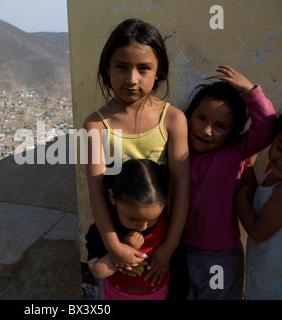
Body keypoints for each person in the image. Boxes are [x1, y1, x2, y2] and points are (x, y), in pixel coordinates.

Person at [83, 18, 190, 299]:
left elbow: (180, 187)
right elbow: (95, 190)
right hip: (113, 236)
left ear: (159, 72)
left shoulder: (173, 119)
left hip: (162, 238)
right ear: (107, 69)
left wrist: (169, 247)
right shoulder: (96, 124)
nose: (131, 79)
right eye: (121, 67)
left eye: (143, 68)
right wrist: (113, 246)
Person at [183, 65, 276, 299]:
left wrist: (250, 91)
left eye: (220, 126)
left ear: (233, 134)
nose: (206, 130)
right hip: (180, 251)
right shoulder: (176, 151)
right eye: (201, 118)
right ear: (189, 114)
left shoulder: (233, 153)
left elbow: (266, 128)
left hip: (220, 256)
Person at [86, 159, 171, 299]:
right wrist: (124, 247)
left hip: (159, 294)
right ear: (113, 197)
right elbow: (97, 271)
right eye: (133, 219)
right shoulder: (105, 229)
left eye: (152, 219)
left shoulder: (166, 225)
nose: (143, 227)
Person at [235, 105, 282, 300]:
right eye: (281, 149)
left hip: (279, 290)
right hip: (263, 284)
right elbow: (262, 203)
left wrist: (237, 197)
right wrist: (249, 168)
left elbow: (258, 231)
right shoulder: (273, 171)